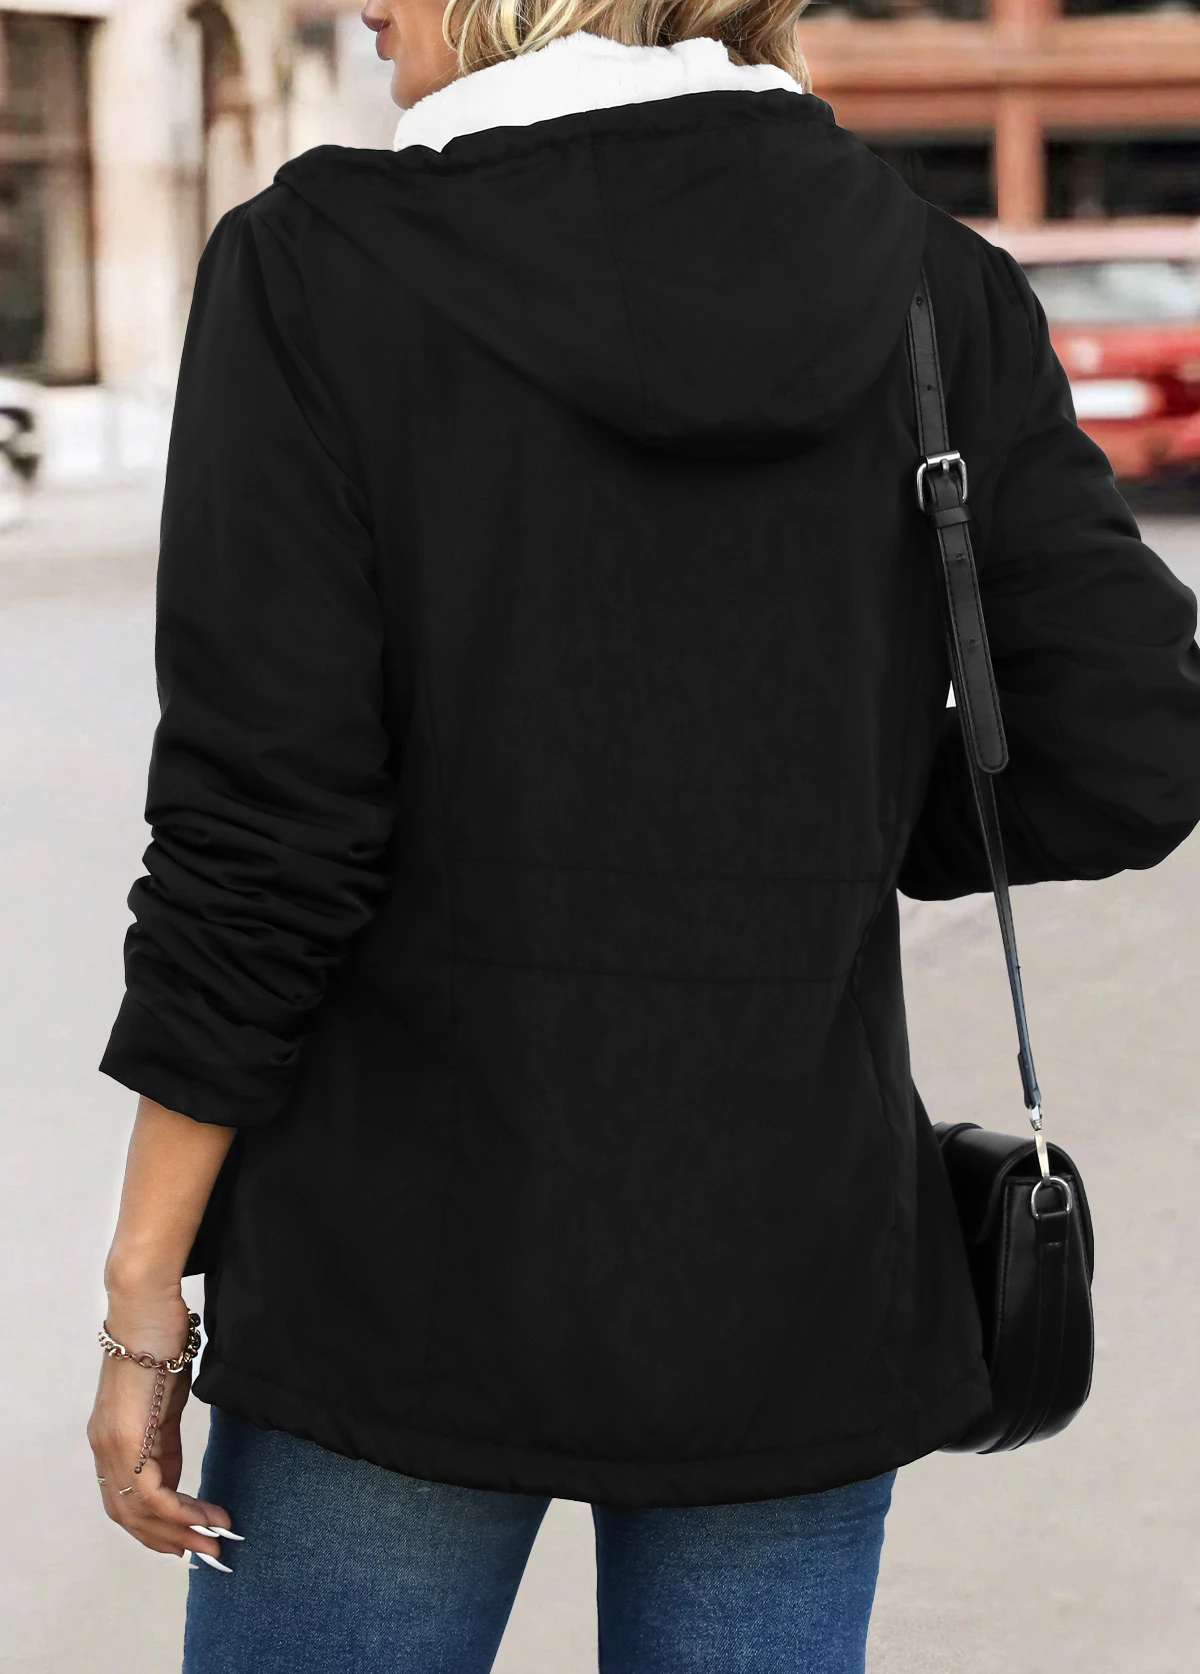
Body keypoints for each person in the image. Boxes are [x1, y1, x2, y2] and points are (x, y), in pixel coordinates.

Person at [87, 0, 1200, 1668]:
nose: (363, 5)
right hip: (791, 1270)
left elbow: (261, 837)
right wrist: (817, 817)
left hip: (394, 1274)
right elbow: (1130, 744)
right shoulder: (930, 280)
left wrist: (142, 1288)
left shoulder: (318, 268)